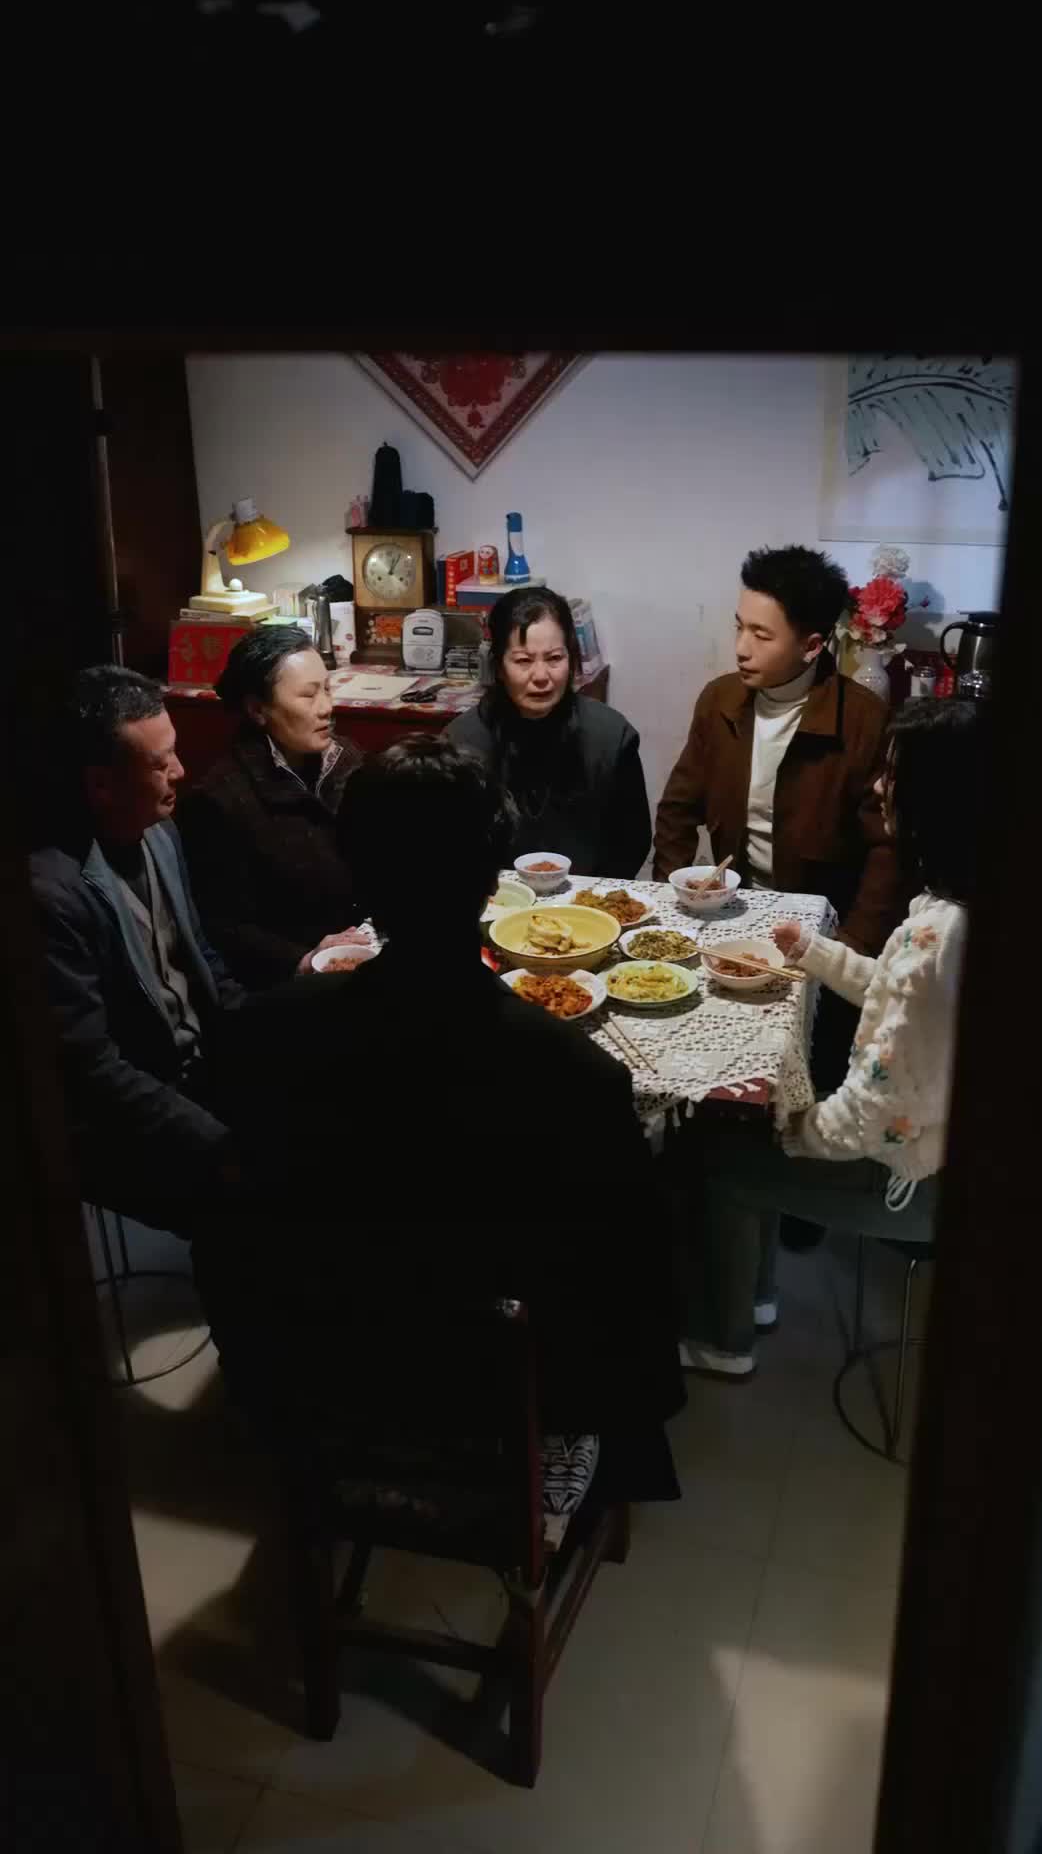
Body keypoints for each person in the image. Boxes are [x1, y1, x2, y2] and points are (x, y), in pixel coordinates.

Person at [196, 737, 685, 1500]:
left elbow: (230, 1240)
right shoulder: (573, 1075)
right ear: (493, 882)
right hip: (505, 1403)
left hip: (322, 1382)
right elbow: (628, 1301)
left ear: (355, 871)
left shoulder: (265, 1034)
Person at [679, 698, 976, 1377]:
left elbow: (876, 1108)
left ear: (938, 799)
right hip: (935, 1153)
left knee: (716, 1152)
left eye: (895, 775)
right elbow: (897, 994)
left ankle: (721, 1341)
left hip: (910, 1177)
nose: (880, 787)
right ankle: (753, 1300)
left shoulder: (940, 936)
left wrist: (796, 1129)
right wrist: (813, 953)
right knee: (746, 1124)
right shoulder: (961, 904)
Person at [28, 666, 248, 1236]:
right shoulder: (52, 891)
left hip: (202, 1074)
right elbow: (91, 1070)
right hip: (129, 1118)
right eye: (159, 763)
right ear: (101, 785)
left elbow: (204, 964)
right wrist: (217, 1142)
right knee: (259, 1200)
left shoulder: (159, 831)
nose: (180, 771)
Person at [653, 545, 897, 956]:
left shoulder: (864, 720)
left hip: (824, 929)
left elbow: (887, 851)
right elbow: (678, 809)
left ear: (812, 646)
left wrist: (852, 945)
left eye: (761, 635)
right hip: (734, 911)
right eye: (739, 627)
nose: (741, 648)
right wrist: (672, 900)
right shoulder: (719, 701)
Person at [178, 626, 366, 986]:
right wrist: (302, 959)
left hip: (362, 951)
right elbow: (222, 924)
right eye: (308, 696)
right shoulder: (219, 801)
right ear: (257, 710)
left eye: (327, 689)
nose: (326, 708)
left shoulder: (348, 759)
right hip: (288, 985)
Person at [446, 586, 651, 878]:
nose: (541, 676)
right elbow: (451, 848)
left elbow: (631, 841)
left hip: (589, 897)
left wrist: (591, 897)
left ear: (572, 659)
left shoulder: (611, 737)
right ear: (499, 667)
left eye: (554, 658)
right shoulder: (461, 744)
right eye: (523, 661)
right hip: (496, 896)